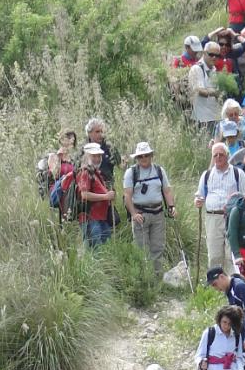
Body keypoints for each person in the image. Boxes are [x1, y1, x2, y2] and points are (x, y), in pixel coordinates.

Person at [123, 142, 176, 278]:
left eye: (146, 155)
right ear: (137, 158)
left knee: (158, 247)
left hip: (158, 213)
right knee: (142, 249)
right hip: (140, 214)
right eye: (141, 156)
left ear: (151, 156)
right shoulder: (131, 172)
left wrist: (171, 207)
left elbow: (167, 191)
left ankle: (157, 278)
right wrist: (133, 214)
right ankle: (145, 279)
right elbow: (127, 195)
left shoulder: (159, 170)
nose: (144, 158)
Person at [194, 140, 244, 273]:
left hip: (232, 218)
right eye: (215, 155)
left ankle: (233, 285)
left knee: (231, 255)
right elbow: (200, 195)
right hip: (212, 218)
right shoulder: (207, 175)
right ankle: (215, 286)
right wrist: (198, 201)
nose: (218, 158)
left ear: (227, 155)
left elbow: (244, 197)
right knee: (214, 255)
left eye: (221, 154)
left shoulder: (238, 174)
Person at [75, 143, 116, 247]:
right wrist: (106, 196)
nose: (97, 159)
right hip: (90, 219)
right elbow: (84, 195)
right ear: (86, 157)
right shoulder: (85, 172)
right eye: (94, 156)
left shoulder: (96, 173)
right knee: (96, 251)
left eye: (99, 156)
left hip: (100, 218)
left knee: (105, 249)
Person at [188, 40, 221, 127]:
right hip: (203, 118)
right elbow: (199, 90)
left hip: (215, 116)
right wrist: (214, 92)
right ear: (204, 53)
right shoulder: (197, 68)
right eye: (211, 54)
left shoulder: (213, 69)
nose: (214, 57)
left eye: (217, 55)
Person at [84, 117, 118, 190]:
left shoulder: (109, 148)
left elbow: (118, 164)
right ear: (89, 133)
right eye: (97, 132)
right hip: (89, 188)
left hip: (107, 186)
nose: (101, 134)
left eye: (102, 131)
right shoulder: (84, 149)